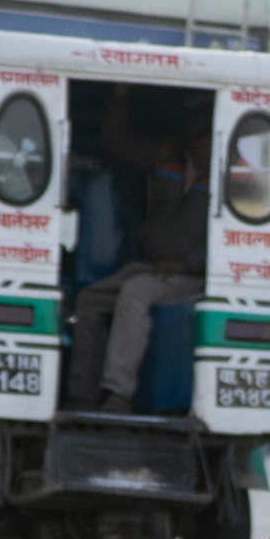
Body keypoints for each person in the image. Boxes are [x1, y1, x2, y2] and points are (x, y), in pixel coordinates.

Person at [64, 84, 212, 413]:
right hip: (155, 269)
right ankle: (82, 393)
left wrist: (188, 264)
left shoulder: (230, 182)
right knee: (89, 300)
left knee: (134, 294)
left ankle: (118, 394)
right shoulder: (167, 159)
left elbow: (238, 242)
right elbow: (119, 144)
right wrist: (118, 97)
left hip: (197, 277)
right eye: (201, 135)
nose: (207, 143)